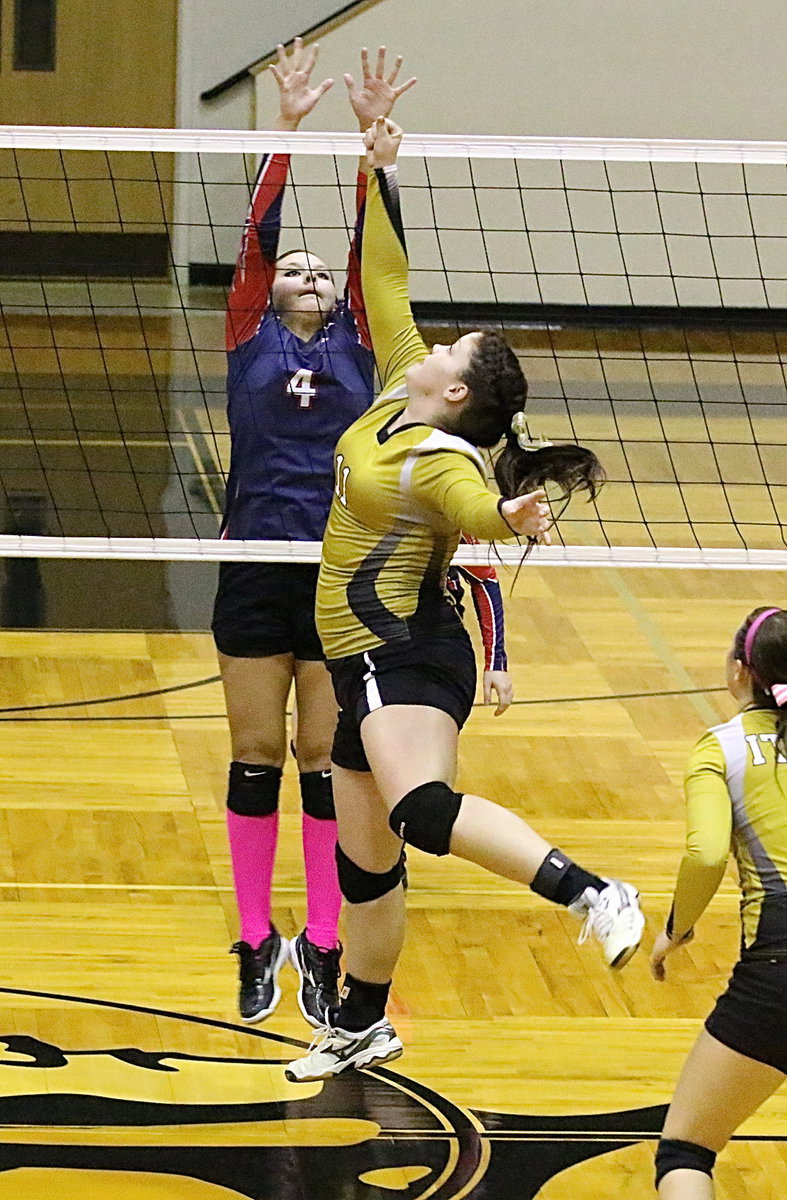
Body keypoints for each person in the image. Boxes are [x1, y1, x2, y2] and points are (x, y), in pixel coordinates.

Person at [284, 117, 645, 1083]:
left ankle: (592, 892)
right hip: (360, 659)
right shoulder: (403, 386)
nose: (434, 344)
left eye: (451, 348)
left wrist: (504, 513)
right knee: (368, 868)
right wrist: (376, 172)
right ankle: (361, 1021)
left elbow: (466, 504)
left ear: (457, 395)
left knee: (422, 814)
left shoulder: (436, 456)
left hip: (401, 650)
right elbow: (384, 286)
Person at [212, 45, 509, 1027]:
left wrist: (367, 153)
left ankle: (330, 942)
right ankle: (257, 939)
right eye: (288, 268)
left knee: (324, 760)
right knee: (255, 752)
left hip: (339, 582)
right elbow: (257, 236)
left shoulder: (370, 356)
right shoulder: (247, 331)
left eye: (316, 269)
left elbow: (369, 254)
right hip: (255, 563)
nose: (303, 273)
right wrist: (285, 130)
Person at [649, 606, 787, 1199]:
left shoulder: (722, 749)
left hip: (779, 969)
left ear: (740, 672)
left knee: (687, 1149)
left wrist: (676, 929)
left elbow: (705, 855)